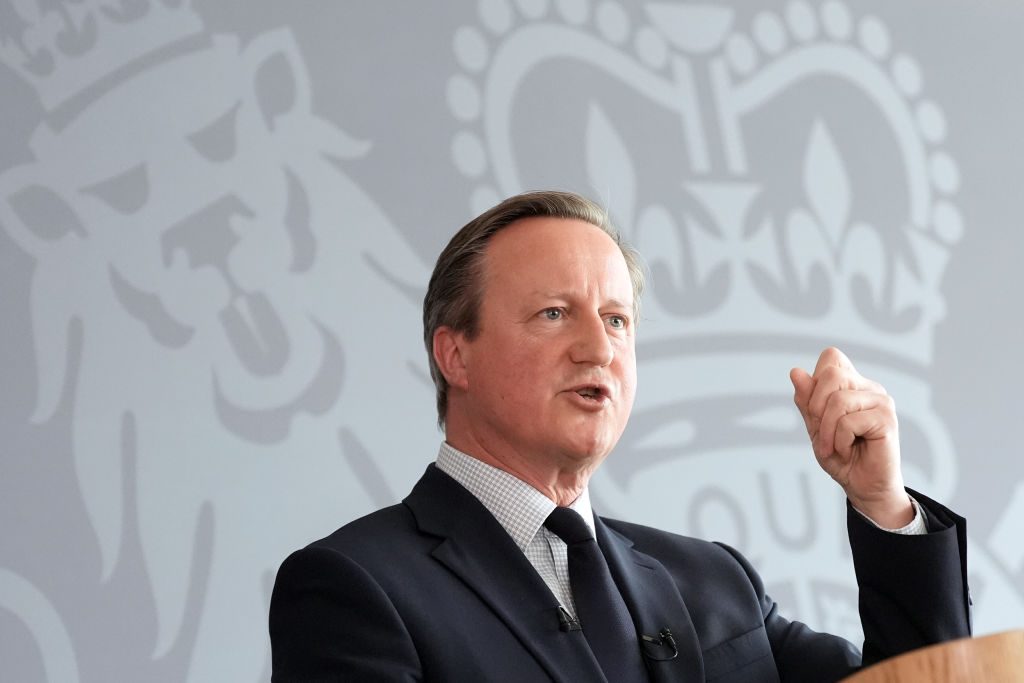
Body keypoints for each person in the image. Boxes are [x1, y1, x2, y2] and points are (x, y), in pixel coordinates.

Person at [269, 191, 970, 682]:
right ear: (455, 355)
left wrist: (884, 505)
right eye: (552, 313)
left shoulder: (715, 580)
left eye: (616, 320)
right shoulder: (354, 587)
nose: (596, 348)